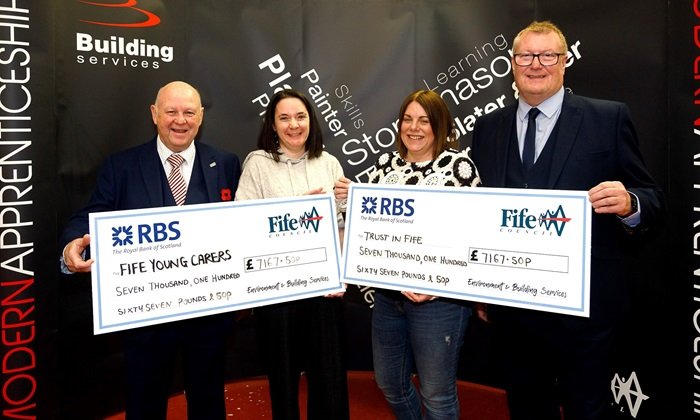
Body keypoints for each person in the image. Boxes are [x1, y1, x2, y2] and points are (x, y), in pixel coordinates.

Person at [471, 21, 665, 420]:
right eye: (526, 56)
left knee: (586, 410)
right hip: (514, 308)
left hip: (585, 310)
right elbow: (478, 212)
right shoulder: (488, 128)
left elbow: (652, 197)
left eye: (547, 56)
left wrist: (629, 202)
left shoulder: (607, 118)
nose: (536, 65)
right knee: (526, 408)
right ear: (512, 64)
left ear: (564, 63)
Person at [59, 81, 241, 420]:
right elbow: (89, 215)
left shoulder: (226, 163)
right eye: (171, 111)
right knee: (144, 405)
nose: (180, 120)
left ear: (200, 117)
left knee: (209, 403)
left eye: (189, 112)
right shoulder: (121, 166)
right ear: (154, 114)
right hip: (146, 319)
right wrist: (72, 244)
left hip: (209, 318)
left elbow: (247, 221)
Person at [335, 89, 482, 419]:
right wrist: (345, 201)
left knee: (437, 394)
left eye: (424, 121)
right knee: (389, 383)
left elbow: (473, 234)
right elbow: (363, 226)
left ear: (439, 125)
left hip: (440, 301)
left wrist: (439, 283)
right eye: (407, 119)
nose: (414, 128)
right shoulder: (386, 165)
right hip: (389, 298)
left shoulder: (459, 166)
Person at [235, 88, 349, 420]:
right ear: (272, 125)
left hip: (323, 290)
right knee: (283, 381)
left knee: (329, 381)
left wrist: (345, 202)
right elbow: (244, 222)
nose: (293, 125)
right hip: (277, 291)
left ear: (310, 121)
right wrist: (297, 207)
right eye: (284, 118)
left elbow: (341, 228)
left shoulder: (329, 163)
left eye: (300, 117)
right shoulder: (258, 163)